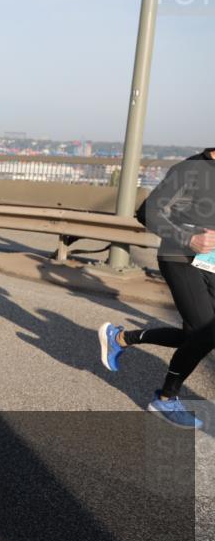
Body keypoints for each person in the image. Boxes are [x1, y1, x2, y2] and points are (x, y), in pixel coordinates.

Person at [99, 147, 215, 429]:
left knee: (199, 334)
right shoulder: (190, 170)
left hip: (210, 263)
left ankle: (122, 338)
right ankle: (165, 399)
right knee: (203, 332)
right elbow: (147, 211)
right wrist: (188, 237)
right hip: (180, 258)